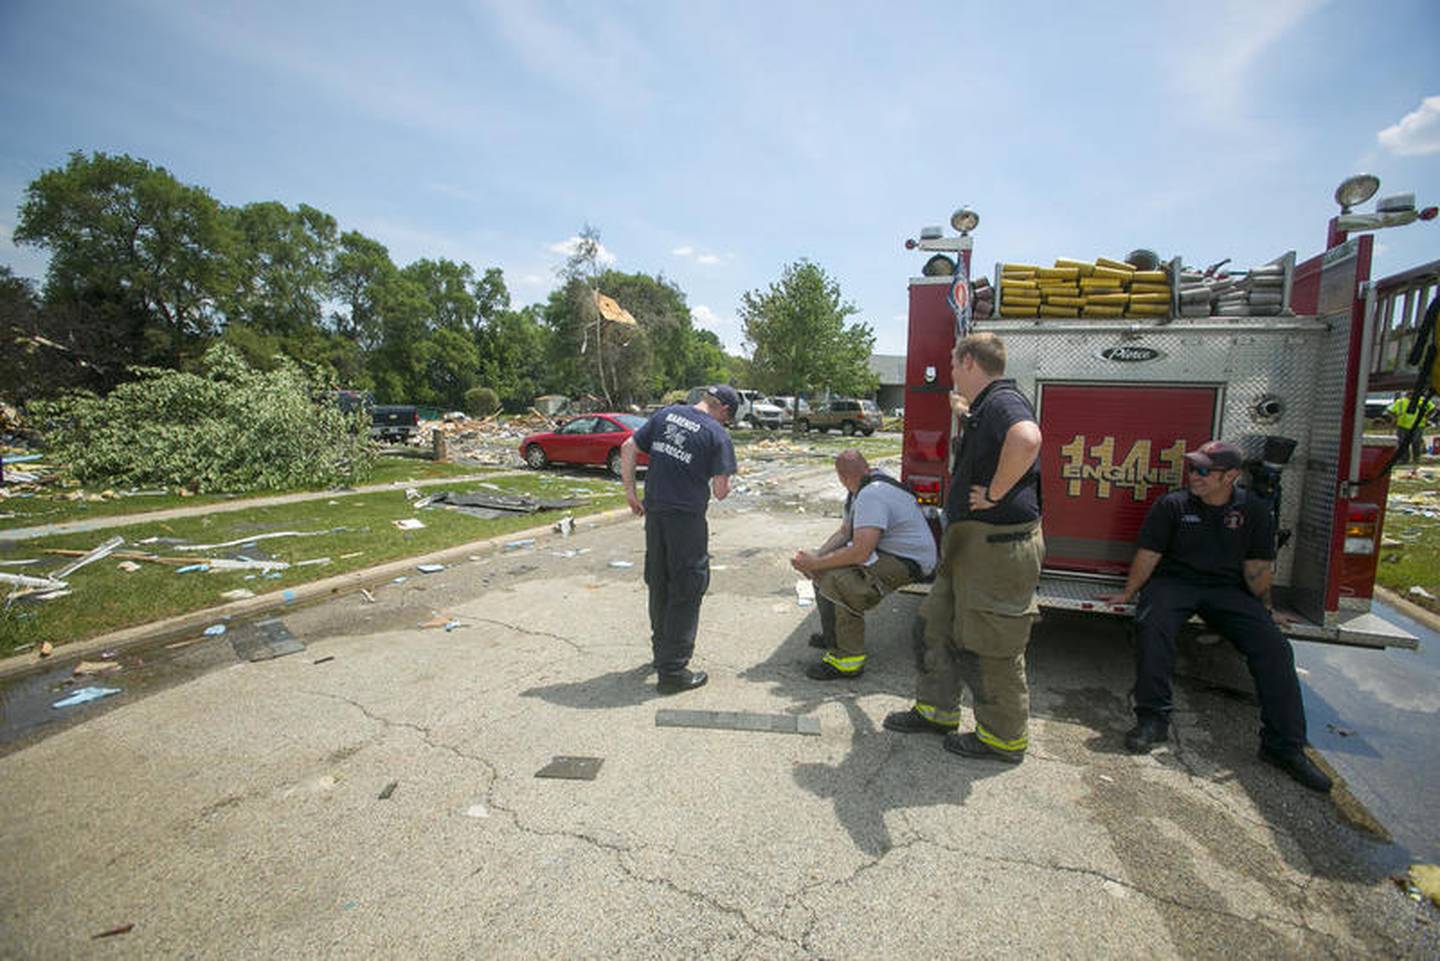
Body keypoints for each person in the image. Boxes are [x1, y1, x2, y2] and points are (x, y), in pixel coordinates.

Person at [1097, 440, 1332, 793]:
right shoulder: (1173, 505)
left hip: (1228, 590)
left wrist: (1266, 609)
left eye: (1205, 470)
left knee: (1274, 648)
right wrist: (1129, 594)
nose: (1196, 476)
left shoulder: (1254, 512)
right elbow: (1149, 554)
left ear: (1232, 476)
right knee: (1151, 627)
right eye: (1193, 468)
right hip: (1174, 583)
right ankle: (1152, 720)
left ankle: (1283, 747)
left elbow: (1257, 569)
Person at [884, 332, 1044, 764]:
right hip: (970, 547)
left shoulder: (1003, 404)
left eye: (955, 363)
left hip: (997, 548)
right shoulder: (986, 406)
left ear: (970, 362)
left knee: (992, 645)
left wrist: (994, 492)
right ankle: (936, 711)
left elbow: (1026, 438)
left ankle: (1003, 739)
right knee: (934, 626)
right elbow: (989, 428)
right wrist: (963, 411)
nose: (951, 371)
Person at [620, 385, 739, 694]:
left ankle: (662, 653)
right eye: (729, 418)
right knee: (687, 586)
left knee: (659, 581)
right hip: (686, 519)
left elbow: (627, 447)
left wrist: (631, 493)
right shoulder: (717, 434)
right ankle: (673, 672)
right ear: (724, 410)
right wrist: (727, 478)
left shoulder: (665, 415)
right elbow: (720, 492)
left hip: (656, 514)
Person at [791, 449, 937, 680]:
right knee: (823, 572)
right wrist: (816, 558)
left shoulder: (871, 495)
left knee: (840, 581)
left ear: (842, 477)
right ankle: (835, 638)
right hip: (892, 553)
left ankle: (847, 660)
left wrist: (817, 562)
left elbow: (860, 551)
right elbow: (845, 532)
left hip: (909, 562)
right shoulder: (867, 485)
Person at [1388, 394, 1436, 465]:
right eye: (1409, 393)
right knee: (1403, 443)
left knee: (1416, 442)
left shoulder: (1423, 400)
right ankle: (1404, 459)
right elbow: (1390, 410)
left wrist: (1427, 417)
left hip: (1418, 425)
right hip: (1402, 425)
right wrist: (1395, 418)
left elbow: (1433, 408)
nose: (1411, 394)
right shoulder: (1400, 402)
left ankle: (1416, 459)